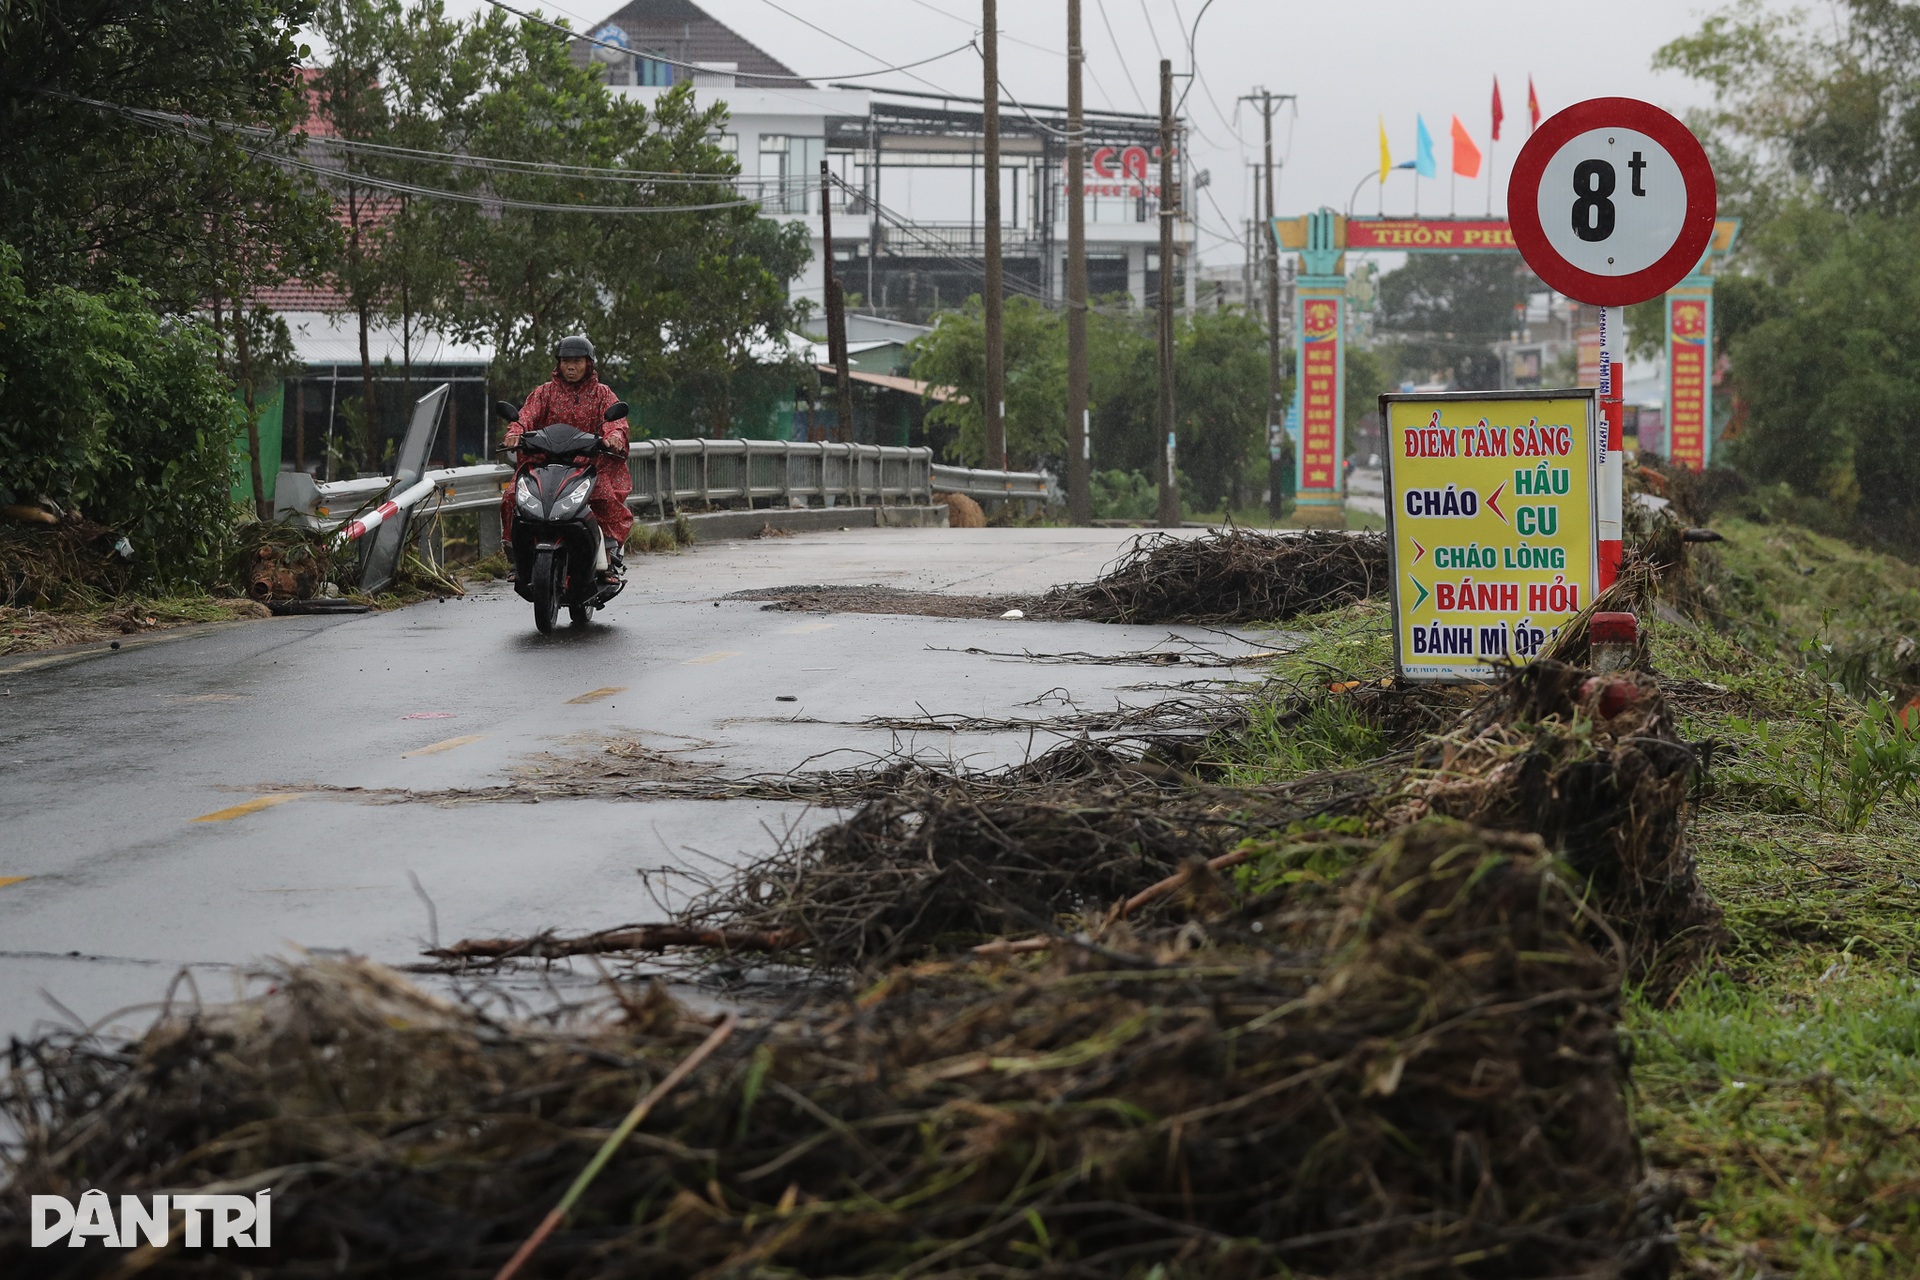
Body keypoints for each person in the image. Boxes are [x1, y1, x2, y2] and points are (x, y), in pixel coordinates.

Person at [500, 335, 632, 579]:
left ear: (589, 364)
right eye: (565, 361)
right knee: (511, 497)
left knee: (604, 496)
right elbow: (524, 416)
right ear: (558, 364)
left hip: (587, 468)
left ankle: (610, 556)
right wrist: (516, 431)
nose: (571, 367)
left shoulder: (603, 395)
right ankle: (518, 557)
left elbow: (616, 423)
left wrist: (613, 436)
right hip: (543, 466)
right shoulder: (544, 393)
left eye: (577, 361)